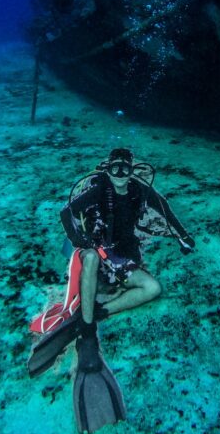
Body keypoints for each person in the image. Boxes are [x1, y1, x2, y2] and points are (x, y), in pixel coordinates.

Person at [28, 147, 194, 377]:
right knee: (92, 258)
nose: (119, 173)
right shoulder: (98, 190)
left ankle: (98, 312)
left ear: (131, 170)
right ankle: (87, 334)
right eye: (114, 167)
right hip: (94, 251)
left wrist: (183, 236)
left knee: (153, 288)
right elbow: (66, 212)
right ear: (108, 168)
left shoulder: (139, 190)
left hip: (119, 256)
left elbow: (163, 206)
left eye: (124, 168)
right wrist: (79, 240)